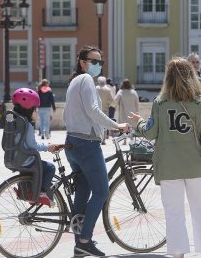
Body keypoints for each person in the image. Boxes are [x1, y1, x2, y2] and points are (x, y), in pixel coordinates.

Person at [128, 57, 201, 258]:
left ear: (168, 78)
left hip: (169, 166)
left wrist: (139, 123)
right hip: (195, 164)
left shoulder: (160, 103)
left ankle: (178, 255)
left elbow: (151, 133)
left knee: (174, 215)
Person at [63, 46, 130, 257]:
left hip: (72, 142)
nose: (98, 66)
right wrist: (116, 125)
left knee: (82, 193)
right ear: (82, 62)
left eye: (100, 62)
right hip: (86, 145)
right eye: (94, 61)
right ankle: (84, 240)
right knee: (101, 191)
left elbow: (68, 113)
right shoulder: (86, 81)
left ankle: (79, 244)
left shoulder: (74, 81)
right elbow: (94, 110)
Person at [12, 88, 58, 207]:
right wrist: (47, 147)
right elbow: (33, 145)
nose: (36, 112)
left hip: (15, 158)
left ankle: (26, 190)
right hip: (26, 159)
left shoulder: (14, 122)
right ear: (28, 109)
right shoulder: (27, 125)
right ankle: (41, 193)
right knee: (50, 168)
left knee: (31, 169)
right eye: (34, 109)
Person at [114, 78, 139, 144]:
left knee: (123, 127)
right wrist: (137, 112)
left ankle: (124, 141)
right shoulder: (133, 92)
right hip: (132, 112)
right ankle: (132, 140)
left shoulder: (121, 91)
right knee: (131, 127)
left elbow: (115, 100)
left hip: (123, 112)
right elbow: (137, 103)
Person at [96, 76, 114, 144]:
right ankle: (103, 140)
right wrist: (108, 104)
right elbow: (112, 100)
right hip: (105, 109)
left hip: (97, 109)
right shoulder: (108, 89)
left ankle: (98, 138)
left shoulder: (95, 88)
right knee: (105, 124)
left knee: (97, 124)